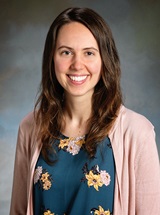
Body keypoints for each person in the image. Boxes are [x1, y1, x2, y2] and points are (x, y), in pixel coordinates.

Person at [10, 7, 160, 215]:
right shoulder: (29, 127)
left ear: (104, 60)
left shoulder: (137, 133)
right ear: (52, 58)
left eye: (89, 53)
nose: (77, 64)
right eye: (66, 52)